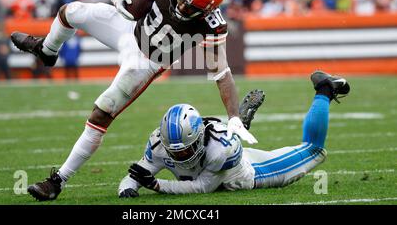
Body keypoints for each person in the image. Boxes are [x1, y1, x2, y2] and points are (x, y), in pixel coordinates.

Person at [10, 0, 253, 201]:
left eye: (188, 7)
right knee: (71, 11)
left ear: (206, 10)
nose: (180, 5)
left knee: (101, 114)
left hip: (146, 62)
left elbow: (222, 73)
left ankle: (56, 182)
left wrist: (233, 117)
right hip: (130, 28)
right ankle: (47, 50)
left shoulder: (212, 25)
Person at [118, 70, 350, 197]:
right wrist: (127, 188)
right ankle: (237, 125)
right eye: (174, 151)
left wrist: (158, 185)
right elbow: (139, 172)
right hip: (224, 152)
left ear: (198, 138)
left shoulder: (219, 151)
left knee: (313, 149)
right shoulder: (160, 142)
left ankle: (324, 90)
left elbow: (201, 187)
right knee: (227, 141)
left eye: (186, 148)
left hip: (249, 173)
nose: (180, 156)